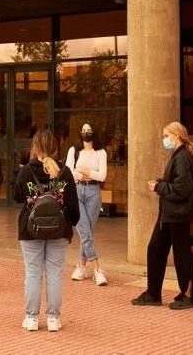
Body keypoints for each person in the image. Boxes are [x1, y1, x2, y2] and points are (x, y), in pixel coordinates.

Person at [12, 129, 80, 332]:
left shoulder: (26, 171)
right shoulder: (65, 171)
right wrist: (71, 225)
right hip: (59, 230)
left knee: (33, 274)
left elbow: (16, 197)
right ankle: (53, 319)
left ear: (35, 147)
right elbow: (73, 205)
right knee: (55, 274)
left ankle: (31, 318)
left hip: (31, 230)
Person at [132, 121, 193, 310]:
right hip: (169, 215)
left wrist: (158, 187)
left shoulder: (182, 157)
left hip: (177, 216)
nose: (164, 140)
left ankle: (188, 294)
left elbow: (182, 189)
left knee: (182, 255)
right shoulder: (178, 156)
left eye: (166, 136)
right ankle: (153, 293)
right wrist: (162, 182)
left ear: (177, 136)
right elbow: (178, 183)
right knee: (155, 249)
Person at [64, 122, 109, 286]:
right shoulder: (73, 151)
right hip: (76, 192)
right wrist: (89, 174)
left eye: (89, 130)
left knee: (87, 231)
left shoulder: (101, 152)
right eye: (83, 130)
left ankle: (81, 267)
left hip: (94, 193)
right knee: (84, 230)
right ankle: (97, 269)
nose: (86, 132)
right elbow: (68, 173)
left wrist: (82, 171)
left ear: (94, 133)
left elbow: (102, 176)